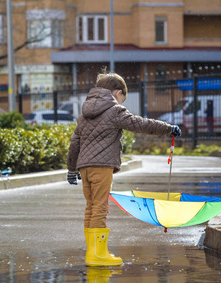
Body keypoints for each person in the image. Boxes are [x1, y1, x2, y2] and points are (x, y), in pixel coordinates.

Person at [67, 70, 181, 267]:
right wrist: (168, 128)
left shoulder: (83, 115)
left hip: (84, 168)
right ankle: (99, 254)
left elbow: (74, 143)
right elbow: (141, 124)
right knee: (101, 208)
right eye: (122, 99)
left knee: (91, 207)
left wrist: (71, 169)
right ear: (117, 93)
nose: (121, 103)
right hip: (102, 167)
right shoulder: (115, 111)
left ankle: (92, 252)